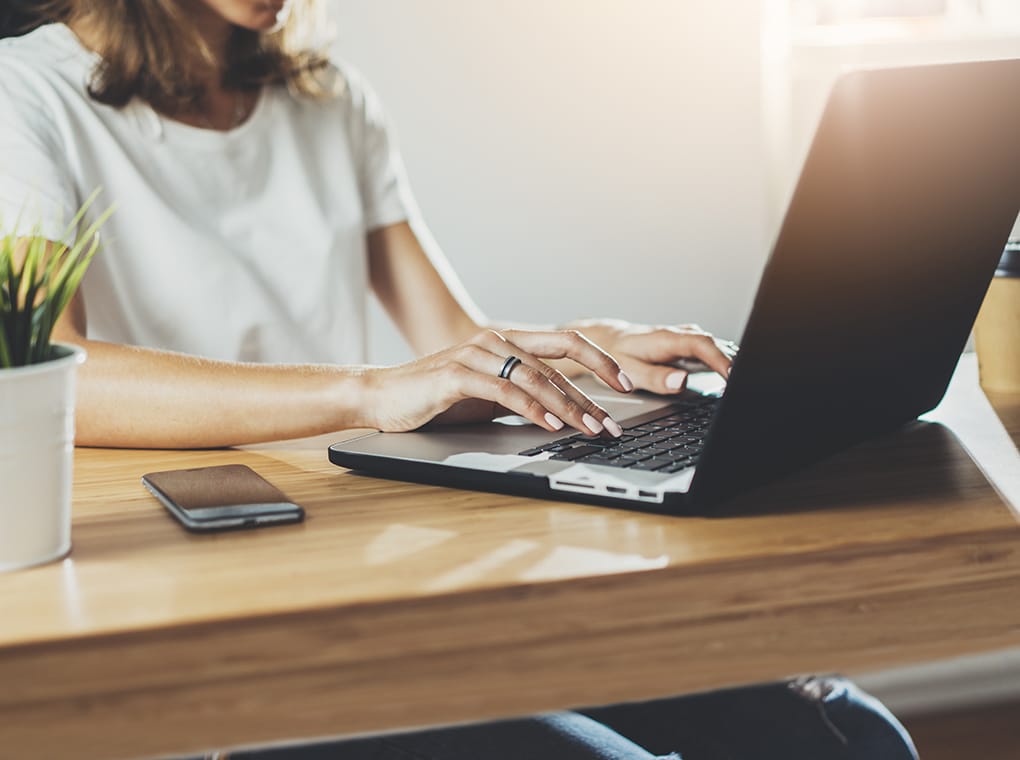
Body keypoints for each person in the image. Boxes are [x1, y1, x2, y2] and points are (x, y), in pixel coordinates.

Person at [0, 2, 918, 758]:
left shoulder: (329, 101)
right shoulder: (28, 93)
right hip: (223, 616)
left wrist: (587, 347)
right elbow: (61, 373)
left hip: (380, 573)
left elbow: (450, 352)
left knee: (852, 739)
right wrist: (367, 391)